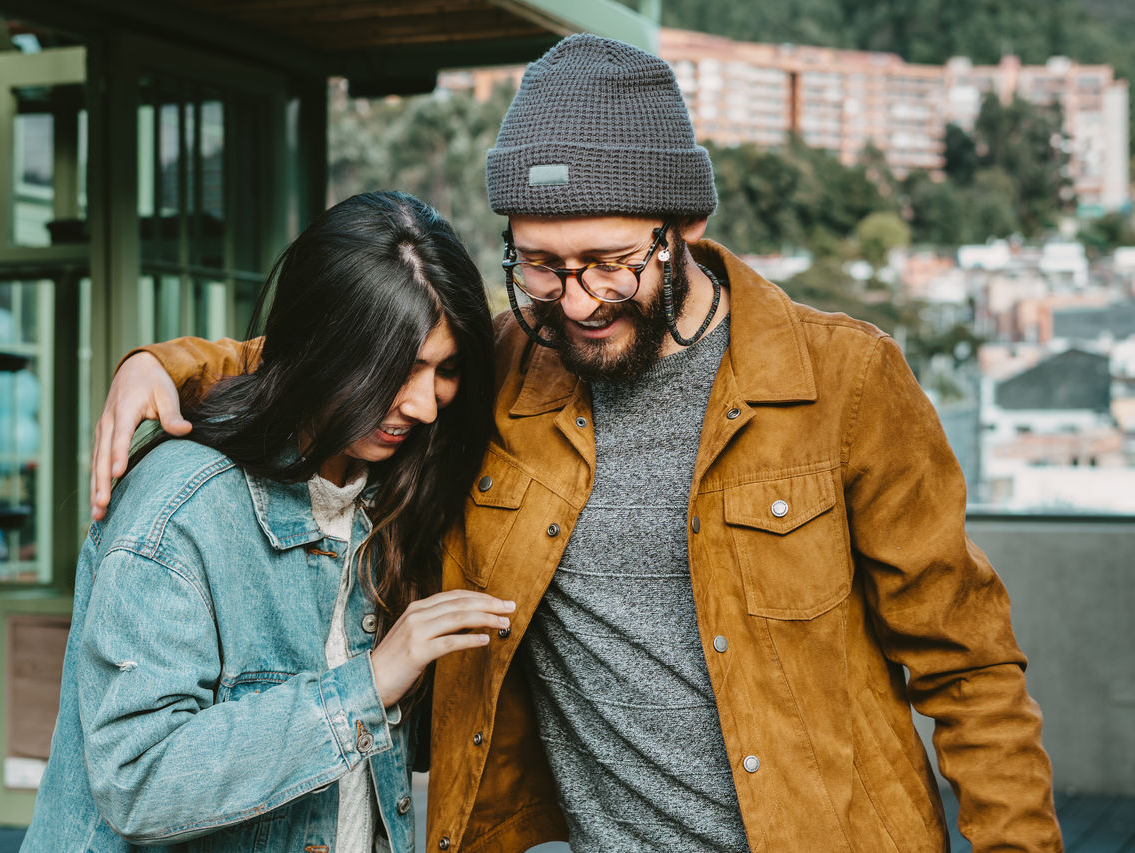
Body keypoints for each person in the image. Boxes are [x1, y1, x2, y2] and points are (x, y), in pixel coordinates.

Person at [90, 36, 1062, 853]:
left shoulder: (845, 383)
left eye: (609, 262)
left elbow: (967, 668)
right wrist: (168, 366)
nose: (579, 300)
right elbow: (344, 349)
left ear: (681, 225)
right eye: (540, 266)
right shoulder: (506, 368)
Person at [23, 191, 514, 853]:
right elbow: (137, 779)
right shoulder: (185, 503)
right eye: (397, 370)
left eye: (446, 369)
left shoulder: (393, 494)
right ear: (324, 346)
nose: (424, 404)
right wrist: (366, 687)